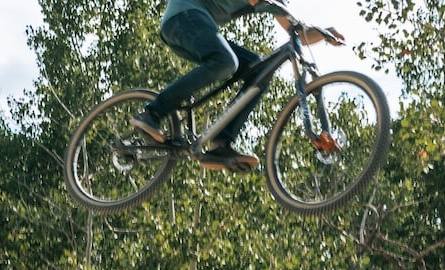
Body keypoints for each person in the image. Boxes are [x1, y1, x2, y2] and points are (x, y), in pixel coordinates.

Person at [131, 0, 342, 171]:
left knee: (260, 71)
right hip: (183, 18)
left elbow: (298, 33)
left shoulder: (274, 3)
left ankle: (220, 143)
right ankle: (153, 112)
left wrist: (323, 33)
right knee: (226, 62)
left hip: (198, 28)